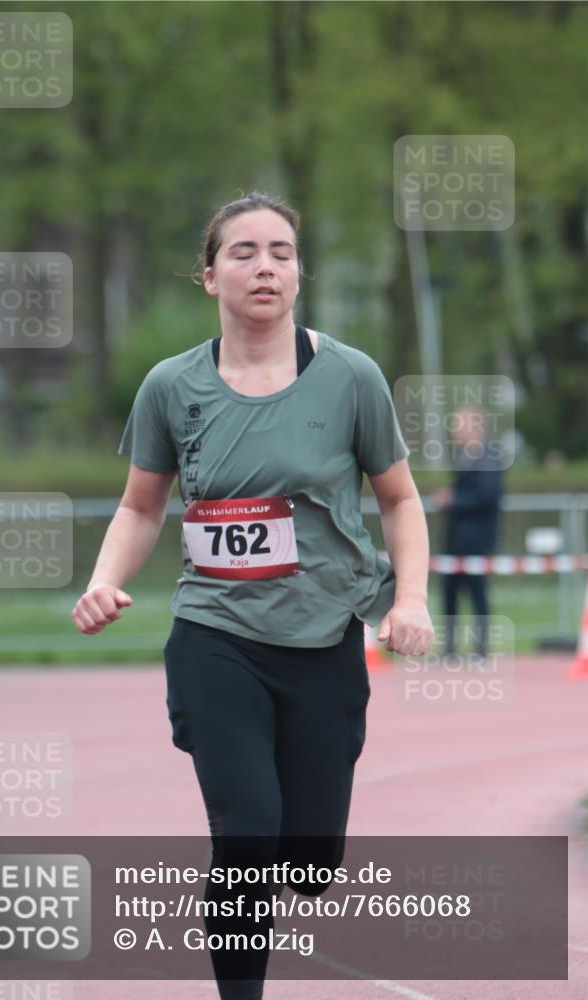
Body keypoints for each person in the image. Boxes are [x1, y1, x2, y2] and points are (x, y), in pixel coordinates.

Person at [72, 191, 434, 999]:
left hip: (322, 638)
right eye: (242, 252)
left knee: (305, 865)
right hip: (215, 632)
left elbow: (400, 499)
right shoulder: (171, 386)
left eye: (280, 251)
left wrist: (407, 599)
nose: (263, 265)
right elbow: (140, 507)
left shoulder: (350, 377)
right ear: (209, 276)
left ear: (298, 273)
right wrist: (103, 583)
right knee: (246, 838)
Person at [434, 406, 503, 660]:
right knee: (449, 593)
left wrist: (454, 500)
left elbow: (488, 496)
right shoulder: (463, 455)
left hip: (476, 540)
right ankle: (449, 650)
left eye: (458, 424)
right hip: (455, 540)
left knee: (477, 594)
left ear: (475, 426)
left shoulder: (489, 456)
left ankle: (480, 650)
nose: (454, 429)